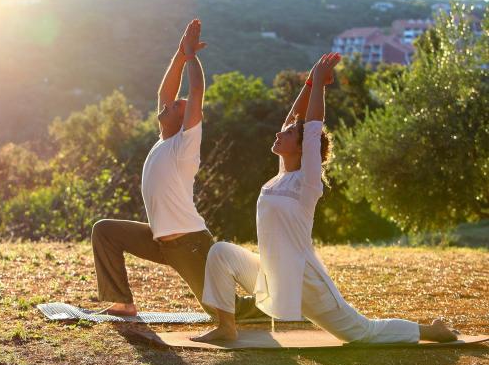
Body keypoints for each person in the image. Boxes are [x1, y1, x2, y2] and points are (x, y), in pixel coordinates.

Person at [191, 53, 459, 343]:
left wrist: (319, 84)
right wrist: (309, 83)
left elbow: (313, 127)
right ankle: (226, 327)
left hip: (306, 280)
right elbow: (294, 118)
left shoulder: (306, 183)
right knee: (221, 253)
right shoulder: (280, 177)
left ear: (304, 148)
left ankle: (430, 331)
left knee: (361, 333)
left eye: (290, 133)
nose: (281, 133)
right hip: (272, 273)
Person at [90, 19, 265, 319]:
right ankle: (122, 302)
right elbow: (165, 93)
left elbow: (196, 90)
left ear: (186, 120)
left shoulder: (185, 145)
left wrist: (192, 56)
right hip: (160, 240)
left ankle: (276, 305)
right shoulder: (164, 140)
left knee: (226, 311)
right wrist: (180, 55)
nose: (169, 104)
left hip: (189, 245)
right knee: (105, 231)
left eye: (177, 106)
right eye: (172, 104)